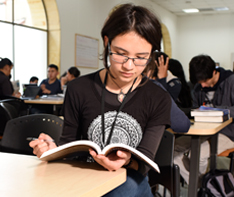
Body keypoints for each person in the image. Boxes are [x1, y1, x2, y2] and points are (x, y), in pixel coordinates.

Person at [30, 4, 172, 196]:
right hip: (84, 176)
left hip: (129, 179)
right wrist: (53, 151)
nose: (129, 66)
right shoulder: (78, 88)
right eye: (120, 54)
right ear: (107, 42)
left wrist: (127, 160)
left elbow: (144, 162)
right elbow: (69, 145)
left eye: (141, 57)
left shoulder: (158, 97)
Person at [174, 54, 234, 184]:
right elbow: (196, 108)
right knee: (173, 150)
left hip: (227, 132)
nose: (204, 85)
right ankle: (200, 186)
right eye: (200, 83)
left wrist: (219, 111)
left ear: (214, 71)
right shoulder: (198, 87)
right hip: (203, 131)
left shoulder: (231, 81)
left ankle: (200, 187)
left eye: (206, 81)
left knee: (197, 155)